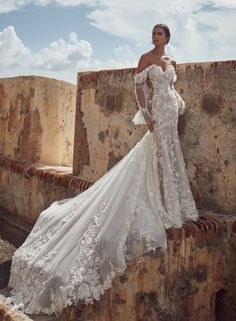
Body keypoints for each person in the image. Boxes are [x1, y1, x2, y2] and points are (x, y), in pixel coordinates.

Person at [7, 23, 198, 316]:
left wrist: (178, 102)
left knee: (170, 158)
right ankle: (159, 201)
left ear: (168, 38)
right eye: (154, 33)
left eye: (160, 34)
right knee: (155, 156)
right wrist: (146, 113)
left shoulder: (172, 62)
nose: (155, 37)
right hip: (157, 115)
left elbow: (170, 87)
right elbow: (138, 88)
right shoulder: (146, 58)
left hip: (171, 112)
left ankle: (173, 202)